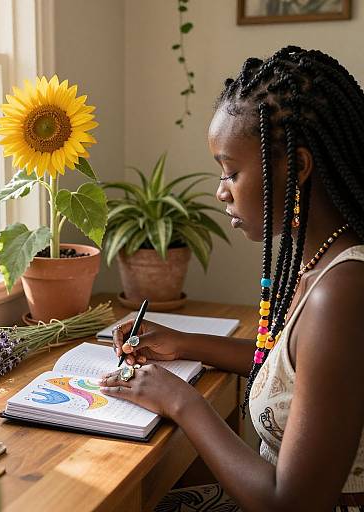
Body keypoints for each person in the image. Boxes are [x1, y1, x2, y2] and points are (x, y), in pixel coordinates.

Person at [99, 46, 364, 511]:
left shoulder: (342, 293)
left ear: (298, 167)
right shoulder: (326, 260)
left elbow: (293, 503)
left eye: (231, 171)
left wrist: (182, 401)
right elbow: (298, 372)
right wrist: (182, 343)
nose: (221, 191)